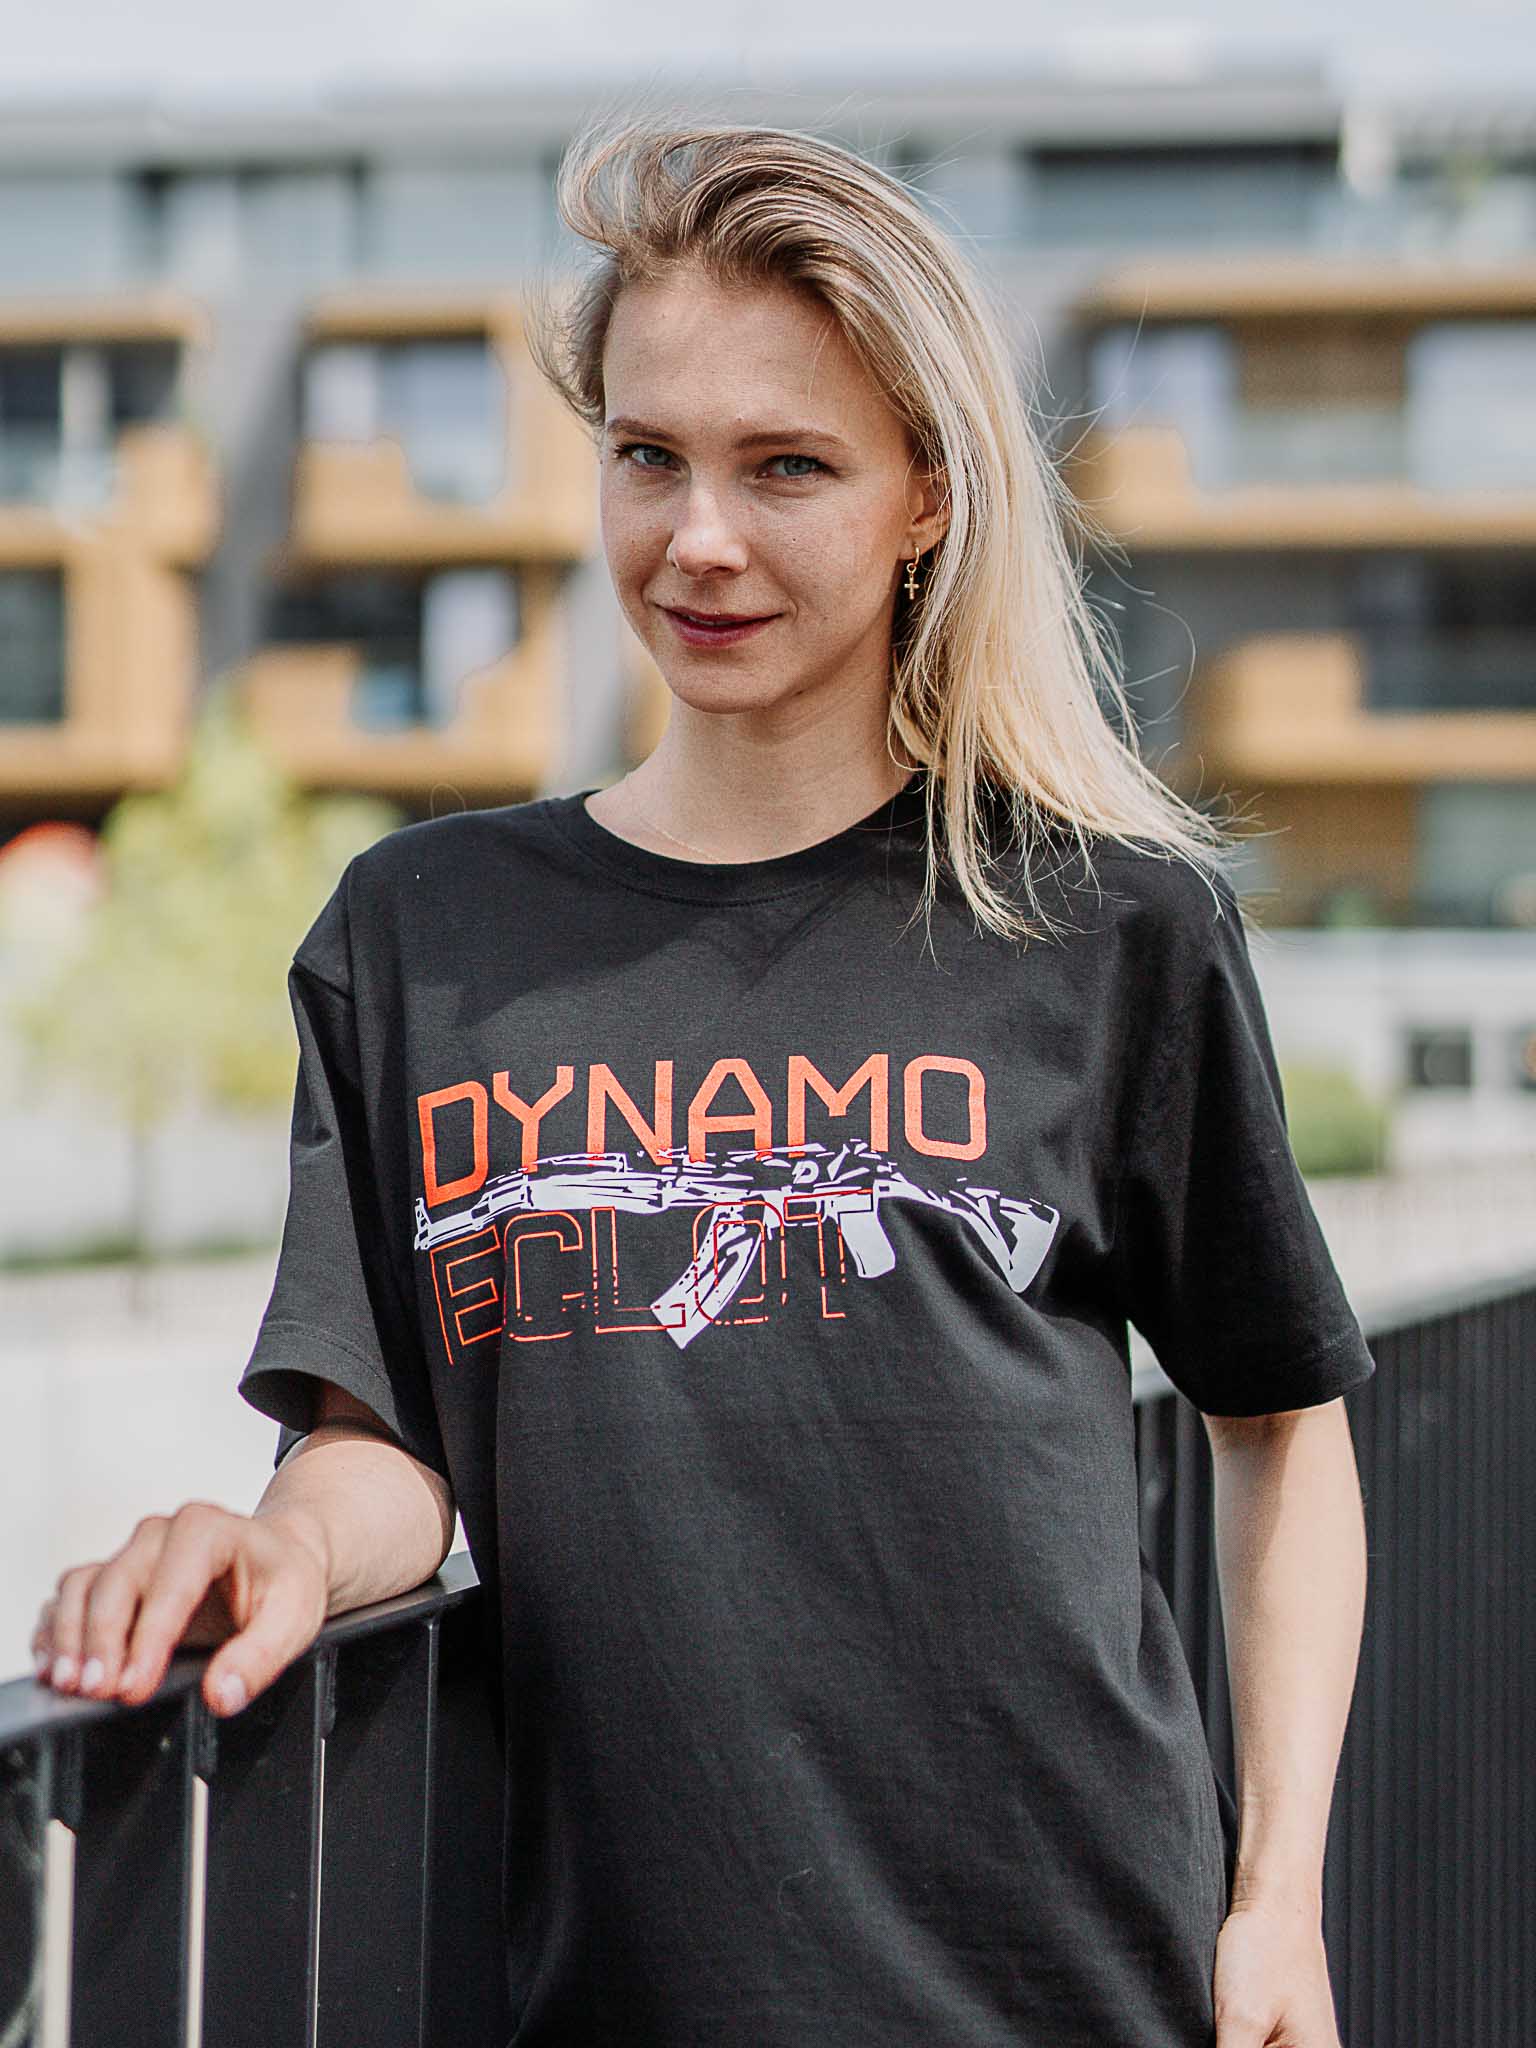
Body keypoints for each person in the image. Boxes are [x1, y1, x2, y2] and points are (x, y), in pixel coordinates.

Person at [30, 118, 1374, 2048]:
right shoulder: (424, 934)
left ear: (926, 497)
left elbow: (1279, 1424)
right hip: (613, 1992)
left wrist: (1280, 1902)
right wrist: (282, 1550)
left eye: (788, 466)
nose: (699, 539)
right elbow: (383, 1436)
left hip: (1068, 1976)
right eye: (647, 455)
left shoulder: (1103, 927)